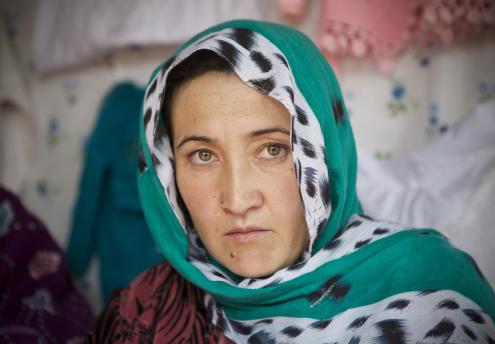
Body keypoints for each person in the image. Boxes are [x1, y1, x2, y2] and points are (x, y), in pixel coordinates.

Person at [89, 19, 495, 343]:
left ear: (324, 154)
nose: (237, 198)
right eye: (203, 155)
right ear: (167, 174)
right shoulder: (143, 309)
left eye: (271, 149)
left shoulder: (431, 298)